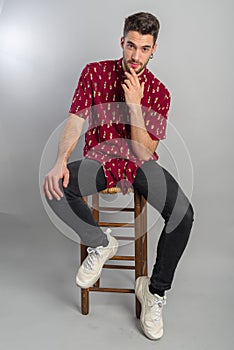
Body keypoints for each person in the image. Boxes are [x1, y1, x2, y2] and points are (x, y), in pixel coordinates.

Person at [43, 12, 194, 340]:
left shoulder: (159, 93)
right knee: (56, 187)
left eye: (144, 48)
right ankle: (102, 243)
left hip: (139, 165)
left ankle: (153, 293)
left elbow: (143, 151)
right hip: (99, 160)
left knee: (183, 214)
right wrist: (59, 161)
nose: (135, 55)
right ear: (121, 42)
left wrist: (135, 105)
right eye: (130, 46)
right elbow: (74, 121)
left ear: (154, 50)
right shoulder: (94, 73)